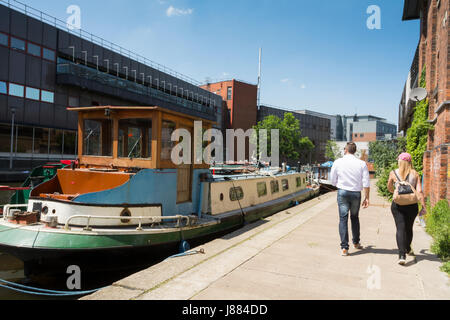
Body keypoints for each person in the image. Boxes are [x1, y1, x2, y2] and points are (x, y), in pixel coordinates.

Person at [330, 142, 370, 256]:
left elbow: (332, 179)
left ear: (345, 150)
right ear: (354, 151)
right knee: (354, 218)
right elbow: (366, 183)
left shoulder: (338, 162)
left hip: (342, 192)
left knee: (343, 219)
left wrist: (340, 185)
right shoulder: (362, 164)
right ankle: (356, 243)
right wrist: (367, 197)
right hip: (356, 193)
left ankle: (344, 248)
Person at [387, 153, 426, 265]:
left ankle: (402, 255)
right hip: (412, 205)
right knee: (408, 228)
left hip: (397, 205)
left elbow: (389, 188)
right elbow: (419, 192)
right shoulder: (415, 174)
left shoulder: (393, 173)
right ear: (410, 162)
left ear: (400, 162)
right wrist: (423, 207)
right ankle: (407, 247)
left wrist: (395, 188)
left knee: (400, 228)